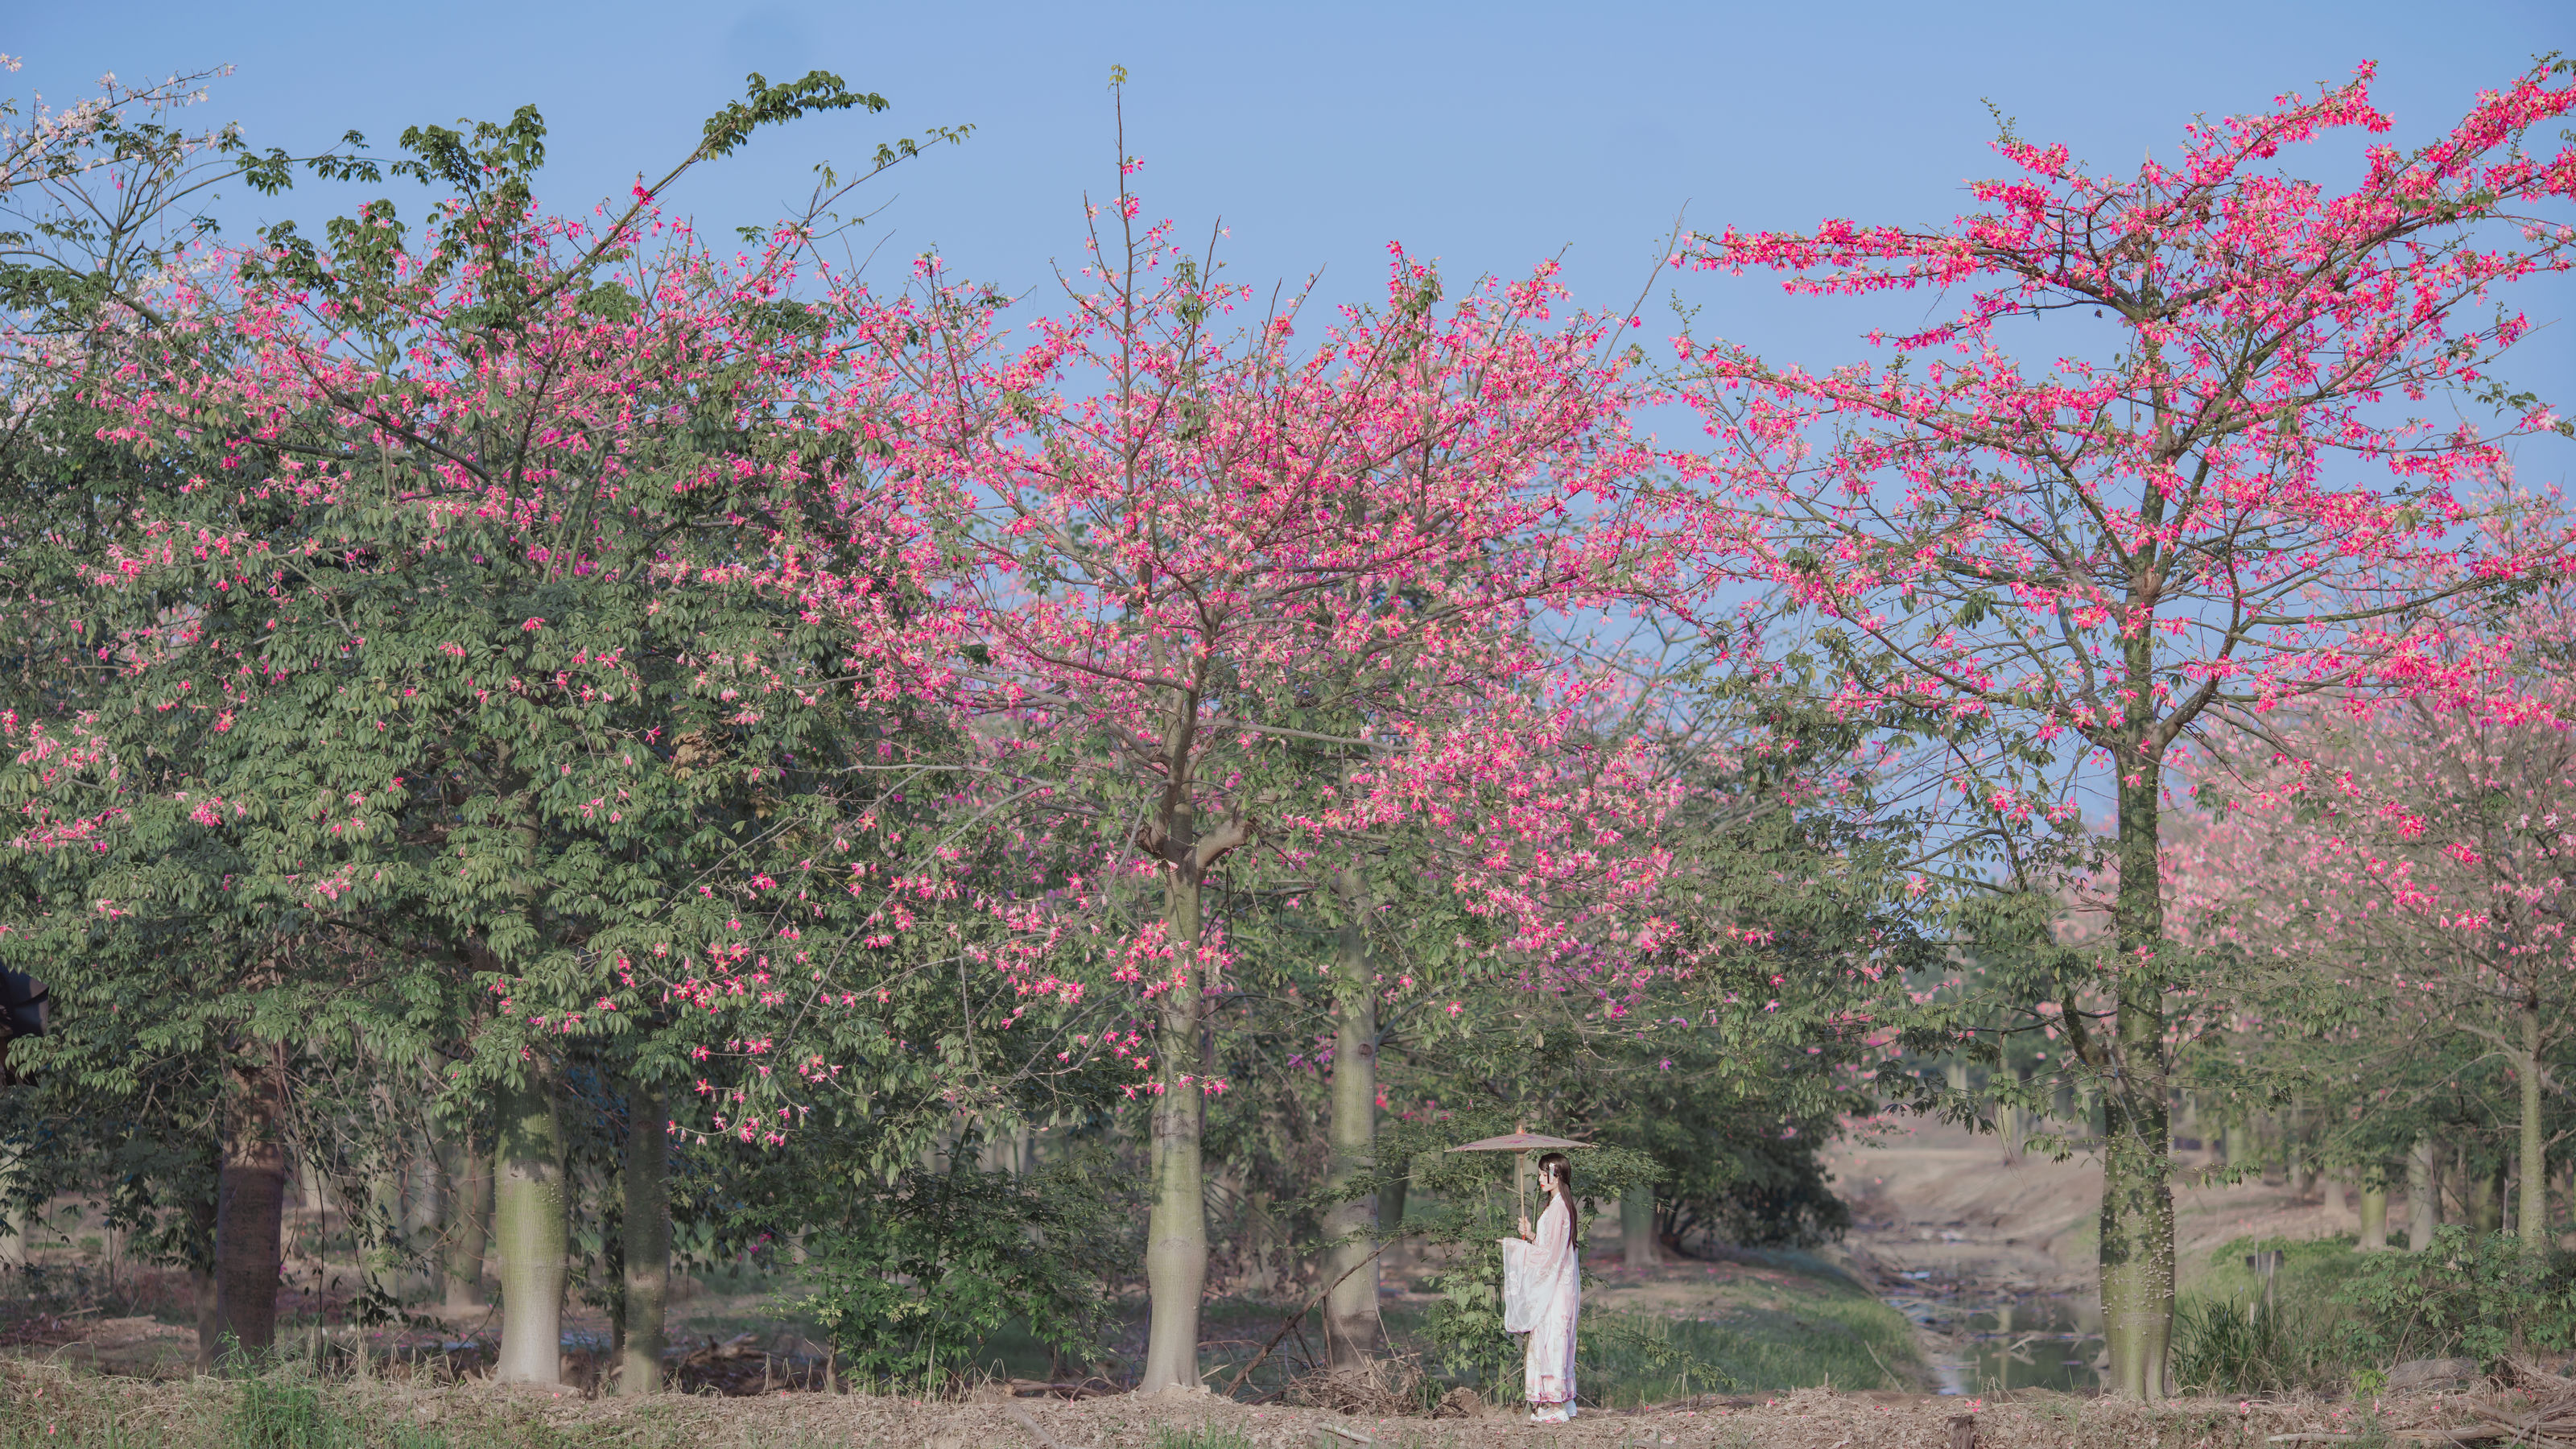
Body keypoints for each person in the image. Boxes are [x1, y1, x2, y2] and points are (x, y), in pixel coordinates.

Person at [1501, 1151, 1580, 1423]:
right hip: (1558, 1283)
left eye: (1542, 1173)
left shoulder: (1559, 1208)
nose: (1539, 1179)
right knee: (1555, 1337)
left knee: (1552, 1339)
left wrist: (1517, 1247)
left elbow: (1551, 1255)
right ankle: (1564, 1401)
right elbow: (1551, 1247)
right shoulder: (1558, 1205)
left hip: (1556, 1285)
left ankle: (1555, 1404)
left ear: (1556, 1174)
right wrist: (1531, 1236)